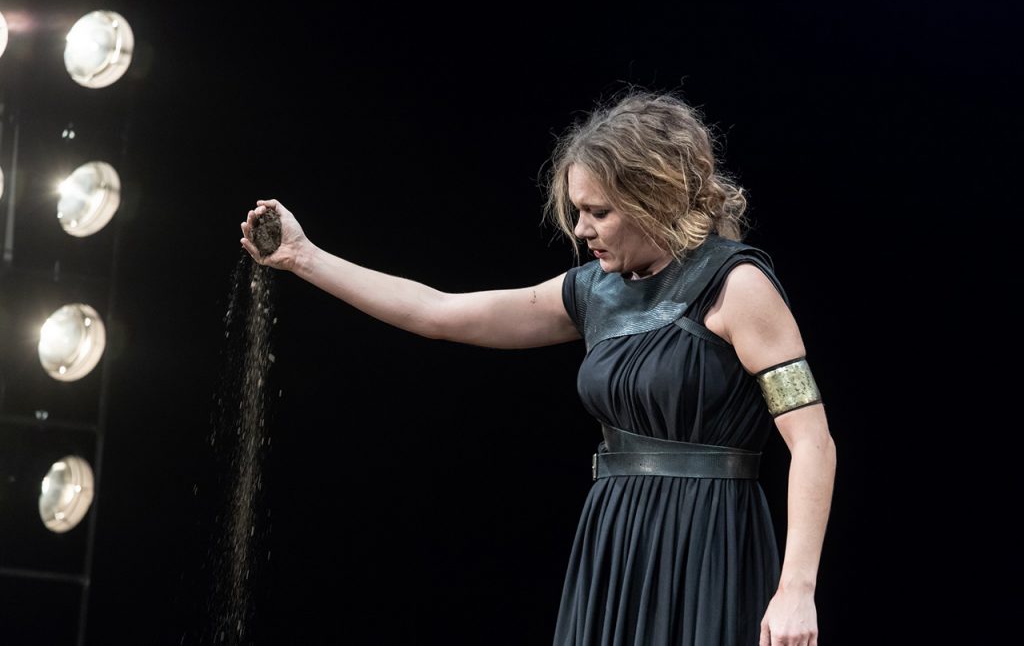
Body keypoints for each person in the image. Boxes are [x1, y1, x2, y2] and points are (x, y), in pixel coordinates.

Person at [240, 87, 836, 646]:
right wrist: (305, 258)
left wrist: (796, 589)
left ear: (651, 197)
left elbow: (811, 441)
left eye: (598, 212)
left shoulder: (739, 286)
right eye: (577, 210)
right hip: (615, 535)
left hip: (711, 538)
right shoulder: (592, 292)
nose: (581, 229)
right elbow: (436, 311)